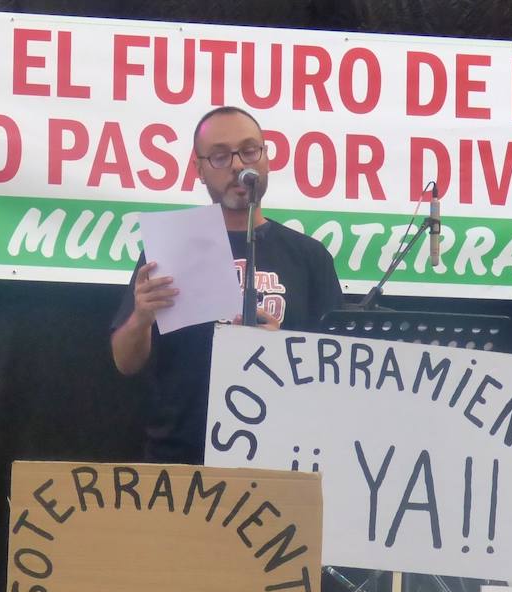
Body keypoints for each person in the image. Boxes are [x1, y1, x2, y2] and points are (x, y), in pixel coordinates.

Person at [110, 106, 344, 464]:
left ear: (266, 159)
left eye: (249, 151)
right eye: (220, 156)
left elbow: (336, 372)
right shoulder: (172, 248)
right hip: (182, 457)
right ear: (199, 169)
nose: (238, 165)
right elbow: (125, 363)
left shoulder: (309, 257)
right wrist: (141, 318)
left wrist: (284, 350)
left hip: (283, 456)